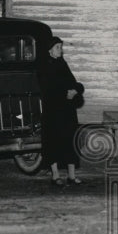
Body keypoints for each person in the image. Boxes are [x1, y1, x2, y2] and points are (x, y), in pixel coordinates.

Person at [38, 35, 84, 185]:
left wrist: (76, 90)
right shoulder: (45, 66)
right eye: (58, 47)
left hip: (67, 112)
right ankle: (55, 176)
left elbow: (74, 82)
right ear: (49, 50)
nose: (61, 50)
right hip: (53, 112)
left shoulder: (62, 64)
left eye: (61, 47)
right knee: (54, 143)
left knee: (70, 141)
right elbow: (47, 89)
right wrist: (66, 93)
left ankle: (71, 176)